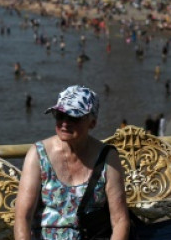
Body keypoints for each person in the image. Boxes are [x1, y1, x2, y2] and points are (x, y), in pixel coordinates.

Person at [14, 85, 130, 240]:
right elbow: (23, 218)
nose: (64, 123)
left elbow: (120, 220)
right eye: (59, 115)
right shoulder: (38, 155)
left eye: (73, 118)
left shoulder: (107, 157)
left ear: (92, 123)